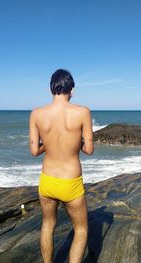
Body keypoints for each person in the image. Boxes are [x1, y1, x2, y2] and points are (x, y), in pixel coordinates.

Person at [29, 68, 94, 263]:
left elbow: (34, 151)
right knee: (81, 230)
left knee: (48, 224)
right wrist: (77, 143)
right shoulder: (83, 112)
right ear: (71, 89)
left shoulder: (36, 114)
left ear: (51, 89)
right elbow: (89, 149)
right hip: (70, 182)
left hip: (47, 180)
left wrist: (48, 144)